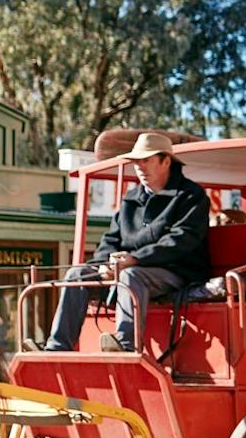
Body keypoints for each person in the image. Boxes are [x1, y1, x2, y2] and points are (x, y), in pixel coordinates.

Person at [41, 132, 209, 354]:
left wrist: (136, 259)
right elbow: (111, 239)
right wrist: (104, 264)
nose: (139, 167)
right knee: (76, 274)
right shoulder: (131, 199)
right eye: (136, 162)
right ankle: (57, 347)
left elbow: (181, 240)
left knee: (131, 276)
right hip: (127, 269)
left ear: (165, 161)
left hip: (175, 272)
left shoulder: (191, 197)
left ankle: (126, 346)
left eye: (146, 160)